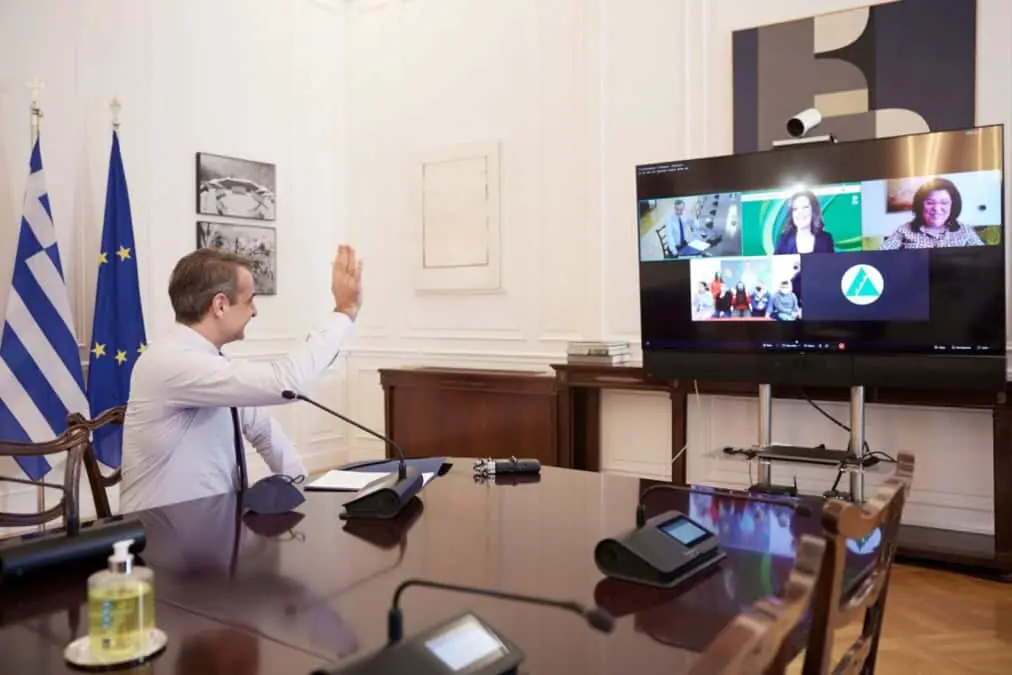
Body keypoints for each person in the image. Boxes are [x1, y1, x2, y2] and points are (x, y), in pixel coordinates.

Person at [119, 244, 363, 512]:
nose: (254, 311)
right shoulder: (170, 363)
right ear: (220, 305)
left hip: (214, 523)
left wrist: (301, 486)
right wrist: (344, 311)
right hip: (161, 530)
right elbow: (287, 382)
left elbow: (262, 429)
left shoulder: (209, 361)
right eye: (249, 301)